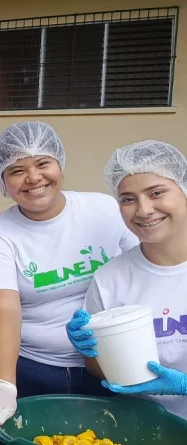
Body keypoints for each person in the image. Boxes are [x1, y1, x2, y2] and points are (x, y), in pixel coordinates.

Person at [0, 122, 139, 429]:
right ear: (3, 181)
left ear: (59, 165)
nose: (33, 178)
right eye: (17, 170)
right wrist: (4, 385)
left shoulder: (104, 210)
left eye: (43, 163)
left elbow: (145, 271)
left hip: (112, 364)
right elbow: (5, 309)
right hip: (34, 369)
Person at [67, 140, 187, 420]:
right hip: (146, 427)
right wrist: (90, 349)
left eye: (157, 192)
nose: (143, 210)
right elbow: (103, 370)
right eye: (128, 199)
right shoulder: (111, 279)